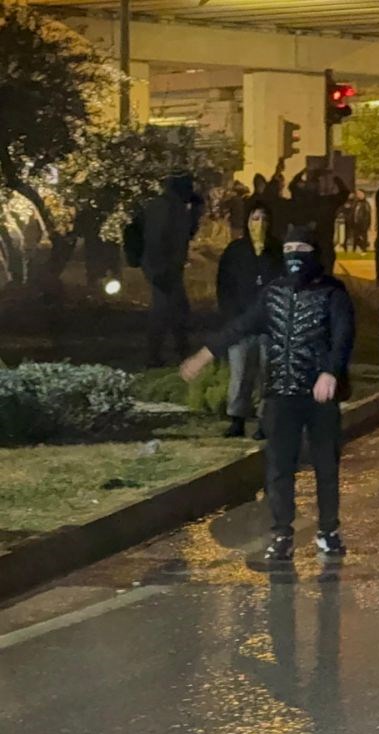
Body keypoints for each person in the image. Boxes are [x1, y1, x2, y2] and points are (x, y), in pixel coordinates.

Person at [181, 225, 354, 562]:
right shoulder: (273, 294)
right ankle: (281, 533)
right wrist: (205, 354)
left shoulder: (332, 293)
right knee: (278, 468)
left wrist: (330, 371)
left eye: (301, 248)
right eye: (288, 249)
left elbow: (344, 336)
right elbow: (241, 326)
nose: (294, 255)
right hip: (280, 393)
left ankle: (328, 530)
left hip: (320, 394)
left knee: (325, 466)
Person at [214, 203, 283, 438]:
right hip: (241, 323)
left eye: (264, 219)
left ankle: (265, 421)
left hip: (270, 325)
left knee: (268, 373)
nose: (259, 224)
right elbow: (224, 286)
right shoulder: (236, 251)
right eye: (255, 218)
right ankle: (237, 419)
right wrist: (231, 317)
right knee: (241, 372)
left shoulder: (277, 251)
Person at [137, 173, 202, 366]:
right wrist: (159, 269)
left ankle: (176, 350)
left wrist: (195, 213)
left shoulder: (176, 207)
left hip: (170, 268)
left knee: (175, 309)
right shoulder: (164, 207)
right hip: (163, 269)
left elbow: (187, 233)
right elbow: (156, 239)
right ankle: (162, 353)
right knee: (166, 310)